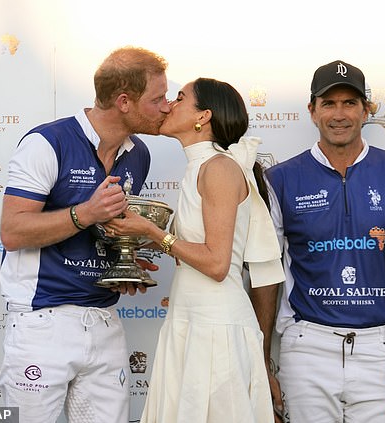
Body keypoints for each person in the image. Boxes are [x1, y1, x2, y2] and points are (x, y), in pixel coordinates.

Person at [263, 60, 385, 422]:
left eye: (350, 103)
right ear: (312, 111)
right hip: (307, 347)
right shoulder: (280, 179)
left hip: (382, 348)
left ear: (367, 110)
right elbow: (266, 275)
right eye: (328, 103)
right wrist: (262, 359)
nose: (339, 114)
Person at [0, 46, 170, 423]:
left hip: (104, 319)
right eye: (157, 99)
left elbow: (102, 230)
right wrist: (85, 212)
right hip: (41, 322)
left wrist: (123, 261)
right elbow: (12, 231)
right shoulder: (47, 142)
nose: (167, 107)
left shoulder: (138, 153)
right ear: (124, 101)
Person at [105, 77, 285, 423]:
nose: (169, 104)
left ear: (203, 116)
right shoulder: (199, 168)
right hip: (190, 321)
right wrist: (136, 243)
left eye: (180, 98)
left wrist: (151, 230)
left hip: (215, 329)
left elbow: (217, 264)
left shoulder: (217, 168)